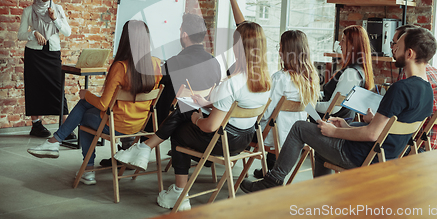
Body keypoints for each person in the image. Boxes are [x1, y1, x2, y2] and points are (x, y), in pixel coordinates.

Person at [240, 26, 436, 193]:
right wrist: (346, 125)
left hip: (360, 155)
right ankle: (323, 189)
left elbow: (372, 133)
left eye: (397, 47)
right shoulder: (428, 92)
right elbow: (383, 130)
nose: (393, 50)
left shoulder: (400, 88)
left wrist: (336, 131)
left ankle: (273, 180)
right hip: (385, 157)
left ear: (409, 54)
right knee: (321, 140)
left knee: (300, 127)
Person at [113, 22, 272, 211]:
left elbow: (210, 126)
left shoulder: (231, 83)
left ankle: (176, 188)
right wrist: (206, 103)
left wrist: (197, 118)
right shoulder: (266, 83)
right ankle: (145, 151)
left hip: (222, 141)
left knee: (180, 129)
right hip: (243, 140)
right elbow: (233, 108)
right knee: (186, 108)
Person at [27, 20, 163, 185]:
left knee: (84, 115)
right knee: (86, 109)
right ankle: (56, 143)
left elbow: (104, 105)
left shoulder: (120, 67)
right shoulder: (156, 64)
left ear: (125, 40)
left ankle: (82, 165)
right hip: (139, 126)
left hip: (117, 125)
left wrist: (86, 94)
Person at [99, 13, 221, 168]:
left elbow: (151, 84)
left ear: (184, 35)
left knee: (135, 103)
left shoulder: (175, 62)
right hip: (201, 118)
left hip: (163, 120)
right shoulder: (214, 61)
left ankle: (128, 152)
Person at [253, 29, 321, 179]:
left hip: (274, 136)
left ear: (287, 52)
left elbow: (266, 113)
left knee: (247, 126)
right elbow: (311, 108)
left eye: (280, 48)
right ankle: (270, 169)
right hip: (295, 138)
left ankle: (268, 169)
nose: (279, 52)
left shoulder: (279, 78)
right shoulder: (310, 79)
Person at [18, 0, 72, 138]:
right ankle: (36, 125)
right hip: (34, 53)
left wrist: (55, 18)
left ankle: (65, 127)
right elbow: (20, 34)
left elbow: (67, 32)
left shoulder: (58, 9)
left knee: (58, 88)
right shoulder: (29, 11)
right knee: (34, 87)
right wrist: (33, 33)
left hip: (53, 53)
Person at [384, 24, 437, 150]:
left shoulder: (411, 79)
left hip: (418, 145)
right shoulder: (433, 72)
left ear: (409, 50)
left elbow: (397, 121)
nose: (393, 48)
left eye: (396, 44)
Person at [316, 25, 375, 119]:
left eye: (343, 40)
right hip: (339, 122)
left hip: (333, 125)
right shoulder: (360, 71)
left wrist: (308, 104)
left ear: (353, 46)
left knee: (297, 125)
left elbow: (332, 108)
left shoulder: (351, 73)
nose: (339, 44)